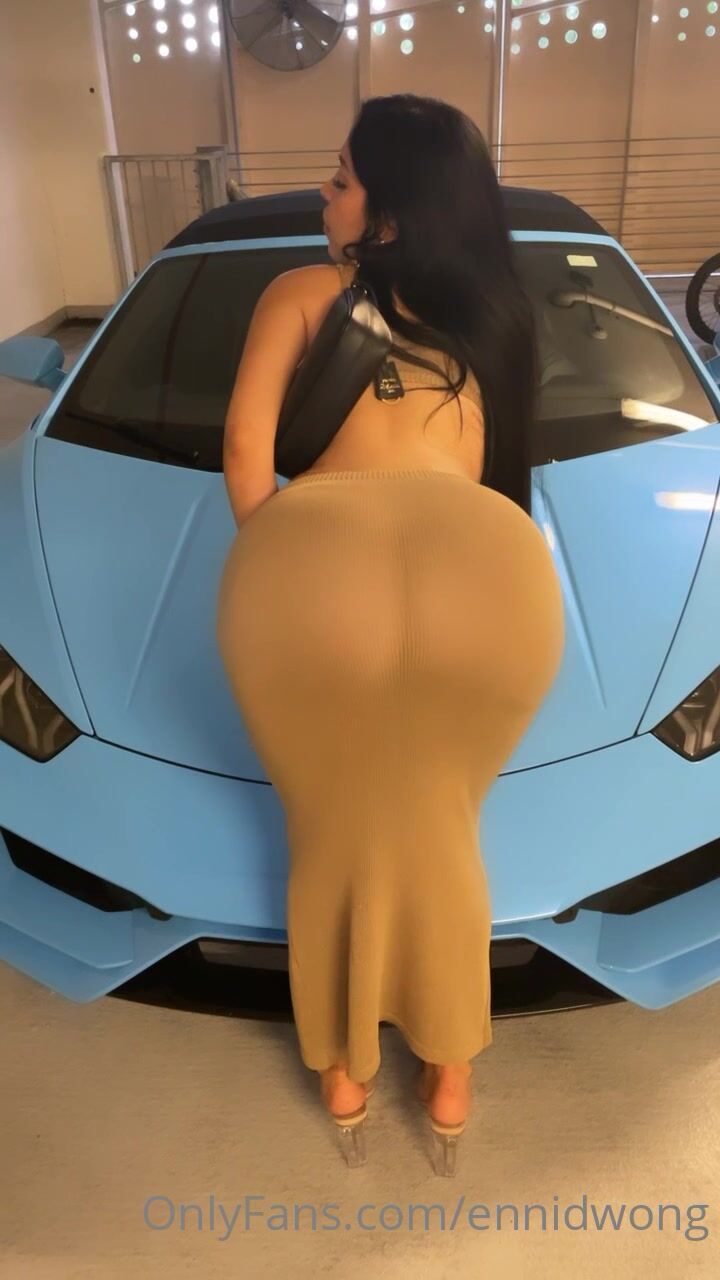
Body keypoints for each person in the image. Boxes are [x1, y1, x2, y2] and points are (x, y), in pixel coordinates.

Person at [216, 94, 565, 1175]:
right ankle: (451, 1072)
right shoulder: (499, 317)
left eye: (340, 179)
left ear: (391, 214)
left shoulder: (298, 292)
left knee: (328, 830)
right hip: (491, 574)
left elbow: (246, 458)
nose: (322, 196)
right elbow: (506, 485)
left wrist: (298, 565)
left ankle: (343, 1069)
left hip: (315, 566)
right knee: (446, 827)